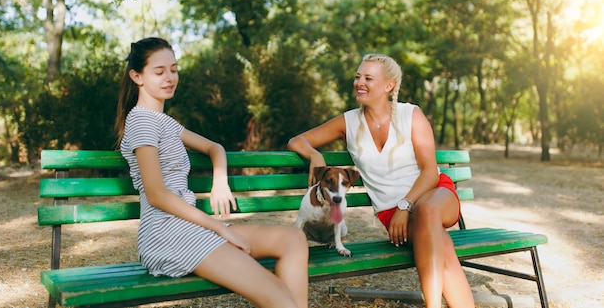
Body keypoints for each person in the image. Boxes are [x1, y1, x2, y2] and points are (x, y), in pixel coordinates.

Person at [115, 37, 308, 308]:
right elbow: (157, 195)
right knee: (281, 299)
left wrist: (220, 181)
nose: (170, 77)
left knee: (294, 239)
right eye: (159, 72)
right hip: (167, 235)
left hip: (189, 229)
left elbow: (214, 147)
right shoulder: (141, 121)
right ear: (137, 76)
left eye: (174, 69)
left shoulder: (164, 122)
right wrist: (221, 229)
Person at [287, 53, 475, 308]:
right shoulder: (349, 122)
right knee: (441, 246)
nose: (359, 83)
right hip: (392, 213)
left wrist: (405, 204)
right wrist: (314, 154)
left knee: (426, 210)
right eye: (357, 77)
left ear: (389, 86)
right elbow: (297, 141)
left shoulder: (412, 115)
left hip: (434, 195)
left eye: (368, 78)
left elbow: (430, 172)